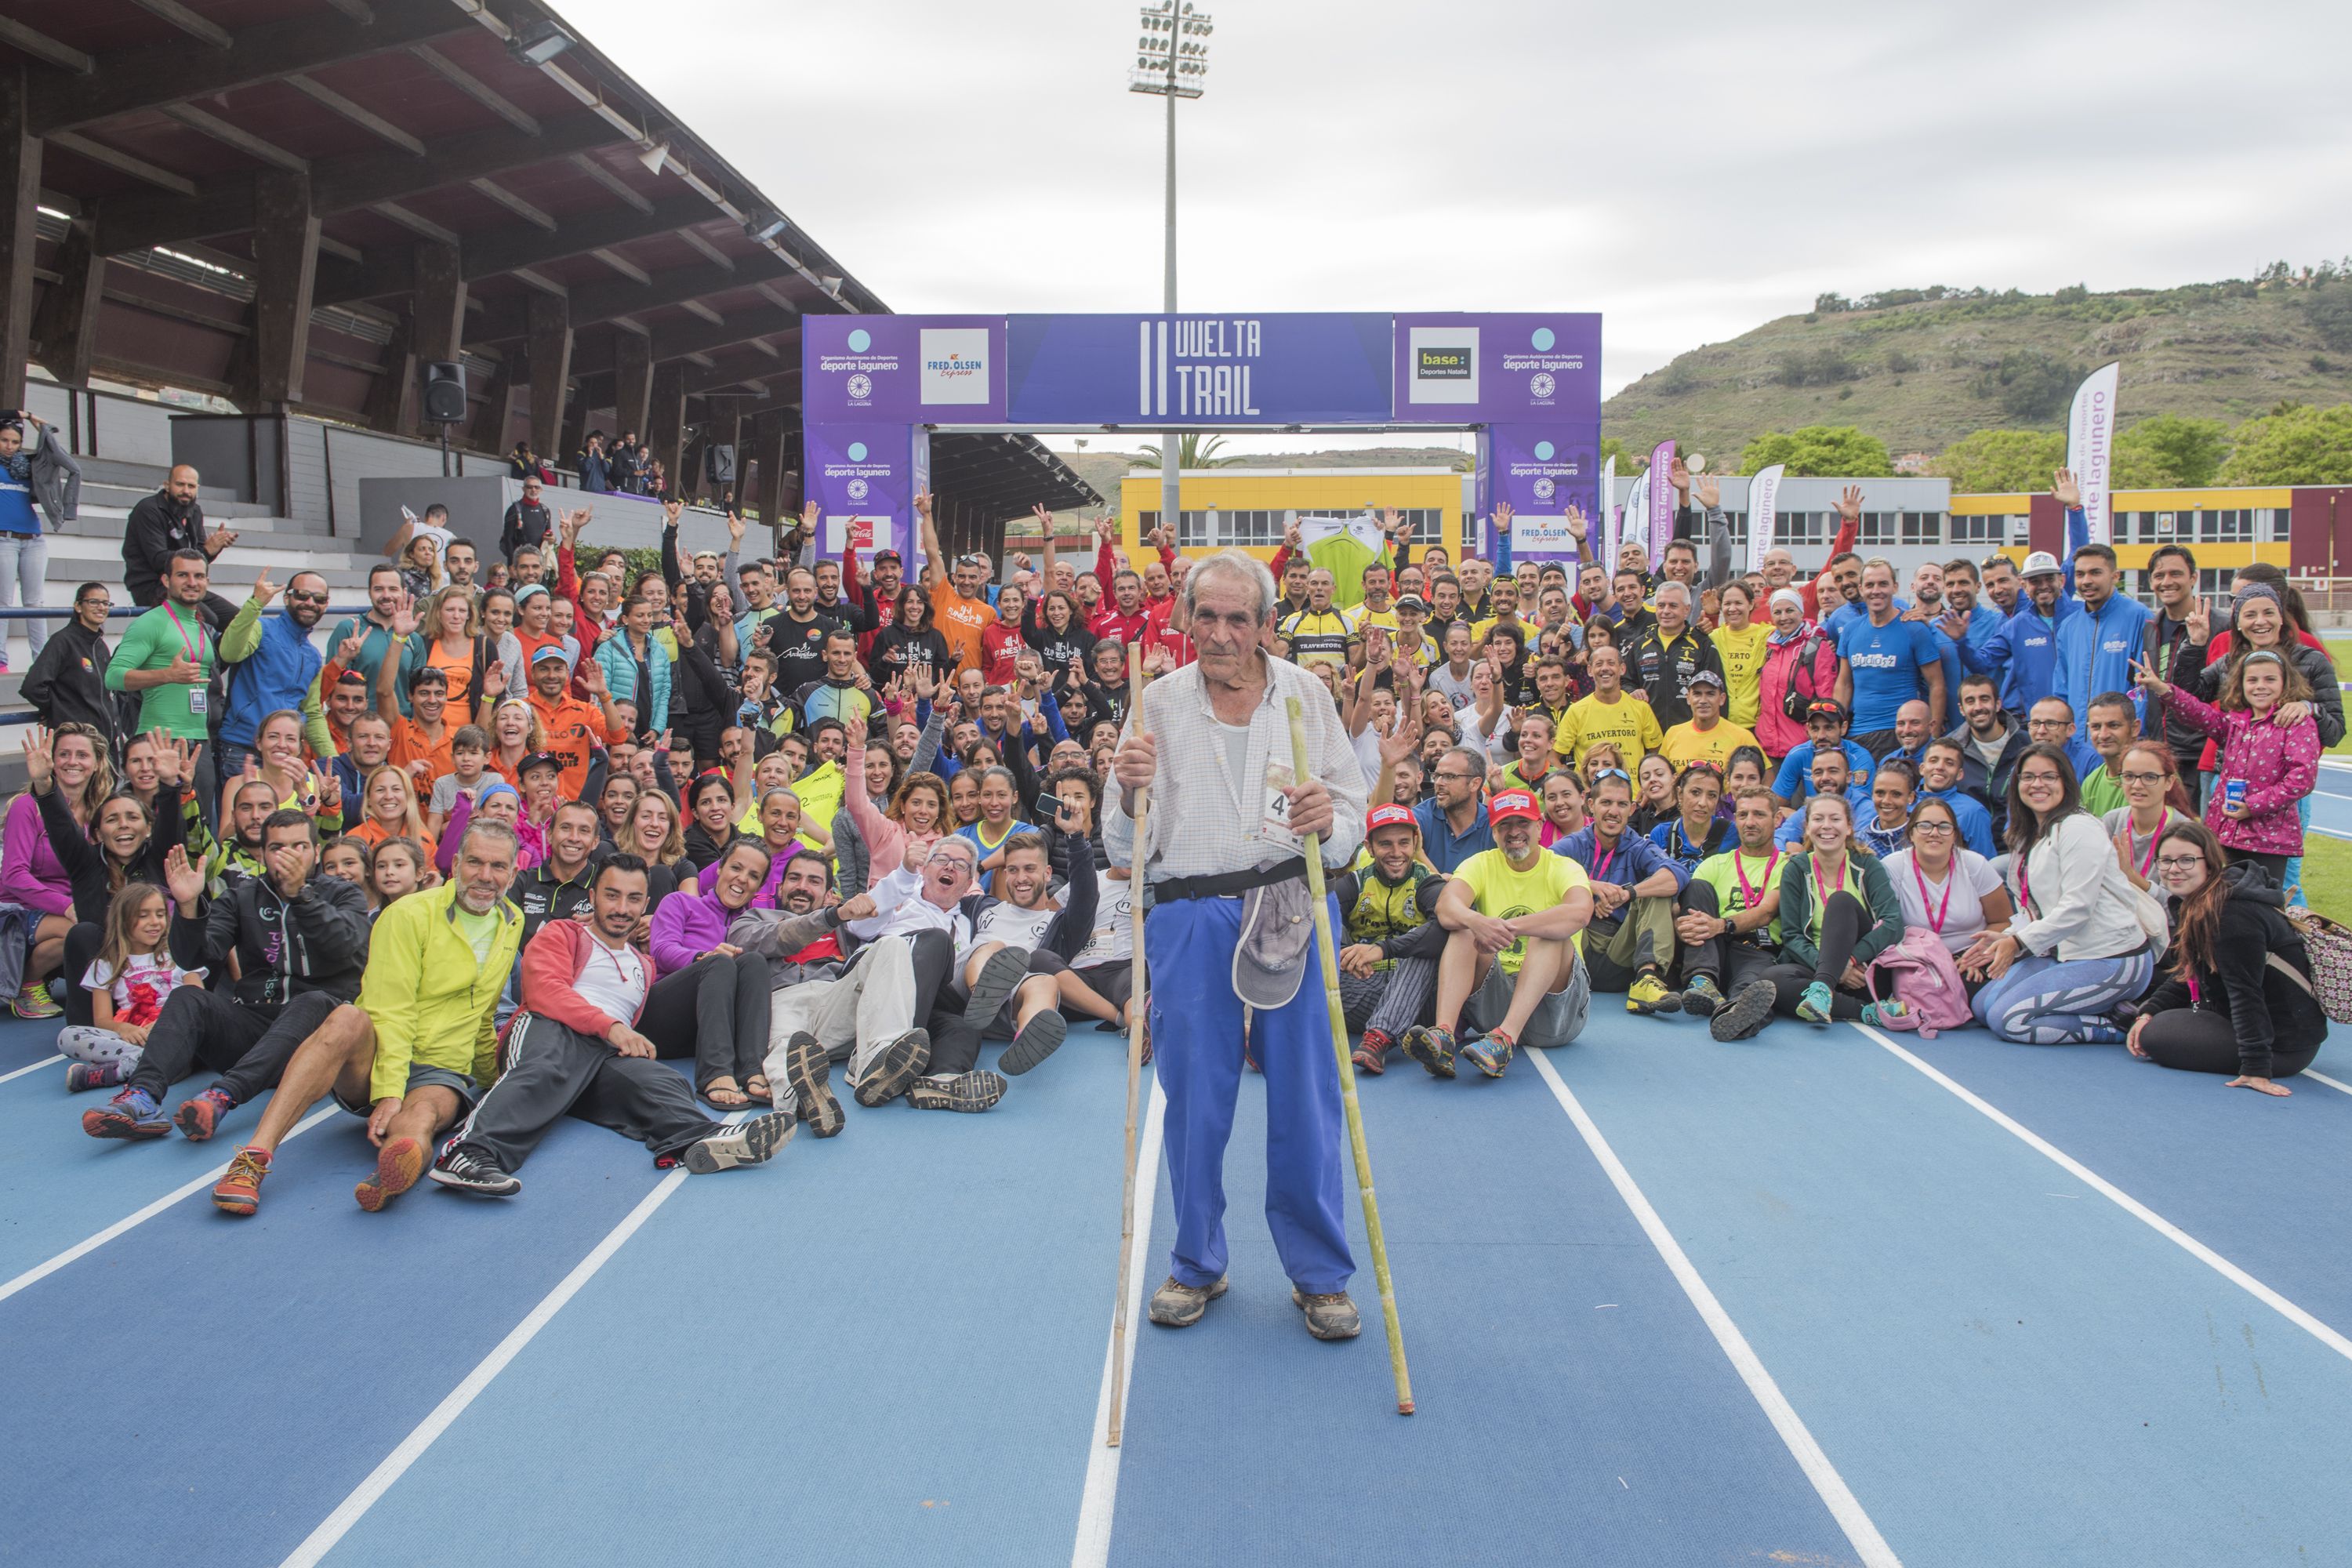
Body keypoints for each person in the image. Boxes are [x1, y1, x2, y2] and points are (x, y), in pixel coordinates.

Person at [1108, 548, 1370, 1342]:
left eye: (1239, 618)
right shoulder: (1153, 701)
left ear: (1265, 624)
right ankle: (1197, 1260)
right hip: (1190, 911)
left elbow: (1352, 818)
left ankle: (1319, 1274)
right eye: (1208, 616)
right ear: (1186, 618)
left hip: (1291, 902)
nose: (1221, 633)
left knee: (1307, 1095)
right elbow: (1125, 841)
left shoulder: (1305, 695)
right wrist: (1125, 784)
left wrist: (1332, 818)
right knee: (1195, 1097)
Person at [204, 819, 524, 1214]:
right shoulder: (407, 915)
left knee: (420, 1117)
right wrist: (389, 1092)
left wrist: (493, 1084)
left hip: (442, 1068)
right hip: (378, 1059)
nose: (485, 876)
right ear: (455, 863)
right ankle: (253, 1158)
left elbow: (484, 1013)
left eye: (498, 867)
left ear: (513, 872)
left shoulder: (511, 921)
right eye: (475, 862)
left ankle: (388, 1176)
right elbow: (390, 1009)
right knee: (346, 1017)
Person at [432, 852, 795, 1196]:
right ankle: (468, 1153)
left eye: (634, 899)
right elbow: (545, 992)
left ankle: (704, 1137)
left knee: (659, 1081)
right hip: (552, 1027)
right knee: (545, 1066)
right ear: (592, 897)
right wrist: (610, 1027)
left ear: (644, 904)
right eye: (612, 895)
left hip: (602, 1056)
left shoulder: (643, 964)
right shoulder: (564, 933)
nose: (622, 909)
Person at [81, 820, 370, 1142]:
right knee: (188, 996)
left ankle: (220, 1098)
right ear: (262, 855)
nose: (288, 856)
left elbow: (347, 945)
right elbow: (197, 958)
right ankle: (142, 1097)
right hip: (254, 1032)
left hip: (315, 1044)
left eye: (299, 846)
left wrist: (301, 896)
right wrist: (189, 908)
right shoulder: (241, 896)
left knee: (315, 1000)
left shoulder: (344, 893)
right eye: (277, 848)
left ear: (316, 852)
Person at [1962, 744, 2158, 1044]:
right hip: (2063, 954)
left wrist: (2018, 943)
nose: (2037, 784)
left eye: (2048, 777)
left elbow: (2077, 908)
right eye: (2028, 777)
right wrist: (2008, 936)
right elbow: (2037, 910)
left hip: (2113, 958)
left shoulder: (2080, 828)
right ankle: (2096, 1006)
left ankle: (2119, 1024)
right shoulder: (2029, 832)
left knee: (2010, 1020)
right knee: (1982, 1006)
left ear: (2066, 783)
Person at [1403, 786, 1592, 1077]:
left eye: (1522, 823)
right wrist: (1476, 921)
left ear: (1540, 825)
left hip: (1556, 1014)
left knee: (1550, 933)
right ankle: (1443, 1035)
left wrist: (1512, 928)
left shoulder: (1563, 867)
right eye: (1504, 825)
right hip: (1497, 1003)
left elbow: (1580, 911)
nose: (1514, 832)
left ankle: (1505, 1040)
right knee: (1463, 928)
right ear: (1493, 832)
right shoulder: (1481, 863)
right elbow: (1446, 907)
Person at [2129, 822, 2325, 1094]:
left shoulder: (2231, 915)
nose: (2174, 869)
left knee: (2158, 1035)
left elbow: (2246, 991)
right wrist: (2148, 1012)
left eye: (2187, 860)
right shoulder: (2199, 902)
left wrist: (2256, 1069)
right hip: (2251, 1024)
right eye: (2165, 860)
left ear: (2209, 863)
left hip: (2282, 1046)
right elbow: (2190, 972)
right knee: (2149, 1017)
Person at [2134, 648, 2318, 890]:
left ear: (2286, 683)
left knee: (2258, 910)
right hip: (2223, 834)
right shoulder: (2234, 723)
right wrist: (2161, 688)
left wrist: (2253, 806)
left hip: (2267, 842)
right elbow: (2198, 713)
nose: (2260, 686)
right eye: (2252, 680)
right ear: (2240, 685)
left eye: (2270, 679)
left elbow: (2301, 778)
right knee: (2218, 904)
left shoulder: (2296, 723)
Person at [1751, 793, 1905, 1029]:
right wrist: (1832, 970)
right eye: (1818, 819)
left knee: (1841, 901)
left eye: (1835, 819)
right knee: (1772, 980)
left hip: (1863, 972)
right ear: (1807, 827)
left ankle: (1824, 988)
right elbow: (1792, 936)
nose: (1826, 826)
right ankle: (1867, 1012)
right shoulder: (1796, 869)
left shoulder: (1868, 865)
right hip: (1818, 968)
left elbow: (1893, 924)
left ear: (1849, 827)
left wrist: (1849, 961)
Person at [647, 837, 780, 1108]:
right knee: (719, 963)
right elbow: (661, 950)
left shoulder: (750, 924)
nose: (742, 879)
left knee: (754, 961)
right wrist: (703, 957)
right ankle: (715, 1074)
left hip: (709, 1029)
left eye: (753, 876)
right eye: (736, 868)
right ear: (720, 868)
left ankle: (751, 1069)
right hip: (663, 1017)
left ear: (759, 887)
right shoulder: (681, 902)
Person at [1552, 768, 1687, 1014]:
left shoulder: (1638, 846)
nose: (1613, 812)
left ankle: (1645, 980)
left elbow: (1677, 875)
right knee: (1552, 889)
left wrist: (1628, 894)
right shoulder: (1575, 843)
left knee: (1657, 890)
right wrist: (1589, 888)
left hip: (1620, 953)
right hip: (1577, 948)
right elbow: (1540, 871)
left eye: (1621, 804)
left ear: (1632, 809)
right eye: (1606, 803)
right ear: (1590, 805)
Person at [59, 881, 205, 1094]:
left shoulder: (181, 954)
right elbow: (102, 1020)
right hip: (137, 1038)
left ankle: (117, 1071)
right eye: (143, 915)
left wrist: (166, 1024)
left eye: (160, 914)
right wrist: (124, 1029)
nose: (155, 922)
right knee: (68, 1036)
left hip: (178, 1033)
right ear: (123, 921)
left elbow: (199, 1001)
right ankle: (142, 1064)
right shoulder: (105, 964)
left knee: (181, 1052)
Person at [1333, 804, 1446, 1075]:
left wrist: (1382, 950)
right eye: (1385, 844)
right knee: (1315, 941)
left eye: (1404, 843)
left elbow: (1444, 930)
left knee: (1426, 947)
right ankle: (1278, 1035)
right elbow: (1319, 923)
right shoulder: (1355, 884)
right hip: (1361, 991)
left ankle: (1378, 1038)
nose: (1396, 853)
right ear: (1369, 847)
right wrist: (1346, 954)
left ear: (1415, 843)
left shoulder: (1427, 883)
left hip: (1418, 999)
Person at [1674, 786, 1783, 1031]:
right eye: (1743, 815)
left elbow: (1767, 912)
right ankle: (1702, 980)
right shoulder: (1714, 864)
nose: (1749, 822)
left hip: (1756, 948)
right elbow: (1685, 909)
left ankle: (1733, 1017)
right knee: (1698, 887)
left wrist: (1720, 924)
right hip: (1712, 947)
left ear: (1777, 819)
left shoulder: (1787, 865)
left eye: (1759, 815)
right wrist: (1681, 927)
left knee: (1751, 992)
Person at [1883, 796, 2011, 987]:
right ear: (1911, 833)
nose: (1935, 833)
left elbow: (2002, 921)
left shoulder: (1974, 864)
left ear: (1954, 835)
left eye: (1944, 827)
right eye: (1925, 826)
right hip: (1916, 961)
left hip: (1968, 959)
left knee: (1971, 989)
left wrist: (1976, 955)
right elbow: (1884, 929)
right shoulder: (1893, 867)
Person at [216, 569, 332, 777]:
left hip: (285, 756)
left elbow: (312, 712)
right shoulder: (262, 628)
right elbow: (229, 652)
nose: (311, 603)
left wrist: (335, 762)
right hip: (243, 750)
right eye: (302, 595)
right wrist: (255, 603)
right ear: (287, 598)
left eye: (320, 598)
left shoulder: (313, 656)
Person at [104, 550, 219, 751]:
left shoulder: (202, 626)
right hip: (159, 741)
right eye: (183, 575)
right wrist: (168, 675)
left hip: (200, 739)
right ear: (166, 580)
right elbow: (113, 677)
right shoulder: (150, 622)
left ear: (207, 582)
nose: (192, 582)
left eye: (199, 576)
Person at [1835, 559, 1944, 756]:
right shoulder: (1851, 630)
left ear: (1895, 587)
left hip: (1900, 734)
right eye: (1870, 585)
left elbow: (1936, 685)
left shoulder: (1914, 628)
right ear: (1861, 589)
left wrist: (1933, 736)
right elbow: (1844, 684)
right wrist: (1836, 728)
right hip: (1857, 734)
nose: (1876, 590)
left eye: (1883, 584)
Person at [122, 463, 233, 611]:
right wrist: (206, 551)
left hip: (188, 586)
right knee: (208, 620)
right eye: (180, 484)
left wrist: (214, 548)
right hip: (153, 588)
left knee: (236, 618)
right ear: (167, 485)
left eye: (191, 486)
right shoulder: (148, 510)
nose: (186, 491)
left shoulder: (195, 511)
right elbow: (159, 560)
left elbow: (200, 557)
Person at [21, 582, 118, 747]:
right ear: (78, 606)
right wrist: (56, 709)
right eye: (93, 602)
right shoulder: (63, 641)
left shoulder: (100, 646)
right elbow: (33, 686)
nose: (101, 607)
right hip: (75, 743)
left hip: (102, 742)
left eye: (105, 603)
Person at [1624, 581, 1722, 730]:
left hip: (1691, 734)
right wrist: (1632, 691)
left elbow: (1717, 690)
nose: (1666, 611)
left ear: (1687, 610)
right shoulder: (1640, 644)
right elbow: (1625, 681)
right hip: (1648, 734)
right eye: (1661, 605)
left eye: (1673, 606)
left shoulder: (1702, 643)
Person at [2103, 741, 2198, 895]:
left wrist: (2132, 876)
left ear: (2169, 782)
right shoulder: (2111, 821)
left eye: (2149, 777)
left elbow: (2177, 904)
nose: (2137, 785)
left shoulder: (2184, 831)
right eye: (2129, 776)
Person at [1555, 642, 1661, 772]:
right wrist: (1576, 785)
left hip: (1632, 791)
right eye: (1599, 664)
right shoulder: (1576, 711)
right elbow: (1553, 757)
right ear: (1589, 670)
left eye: (1611, 663)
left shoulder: (1641, 708)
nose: (1605, 668)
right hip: (1593, 792)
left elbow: (1658, 754)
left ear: (1622, 669)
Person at [1657, 670, 1756, 771]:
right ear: (1688, 698)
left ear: (1722, 699)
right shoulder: (1673, 734)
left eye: (1710, 694)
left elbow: (1764, 777)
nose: (1703, 701)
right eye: (1697, 694)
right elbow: (1661, 773)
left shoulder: (1742, 737)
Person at [2074, 691, 2140, 815]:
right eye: (2096, 727)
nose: (2103, 735)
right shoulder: (2090, 782)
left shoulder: (2152, 775)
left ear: (2135, 728)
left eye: (2113, 725)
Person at [499, 475, 554, 565]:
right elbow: (508, 539)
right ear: (523, 489)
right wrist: (512, 564)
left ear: (541, 489)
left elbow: (549, 536)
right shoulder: (514, 510)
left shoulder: (545, 510)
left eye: (537, 487)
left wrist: (552, 539)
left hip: (539, 562)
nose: (533, 490)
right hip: (520, 562)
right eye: (529, 487)